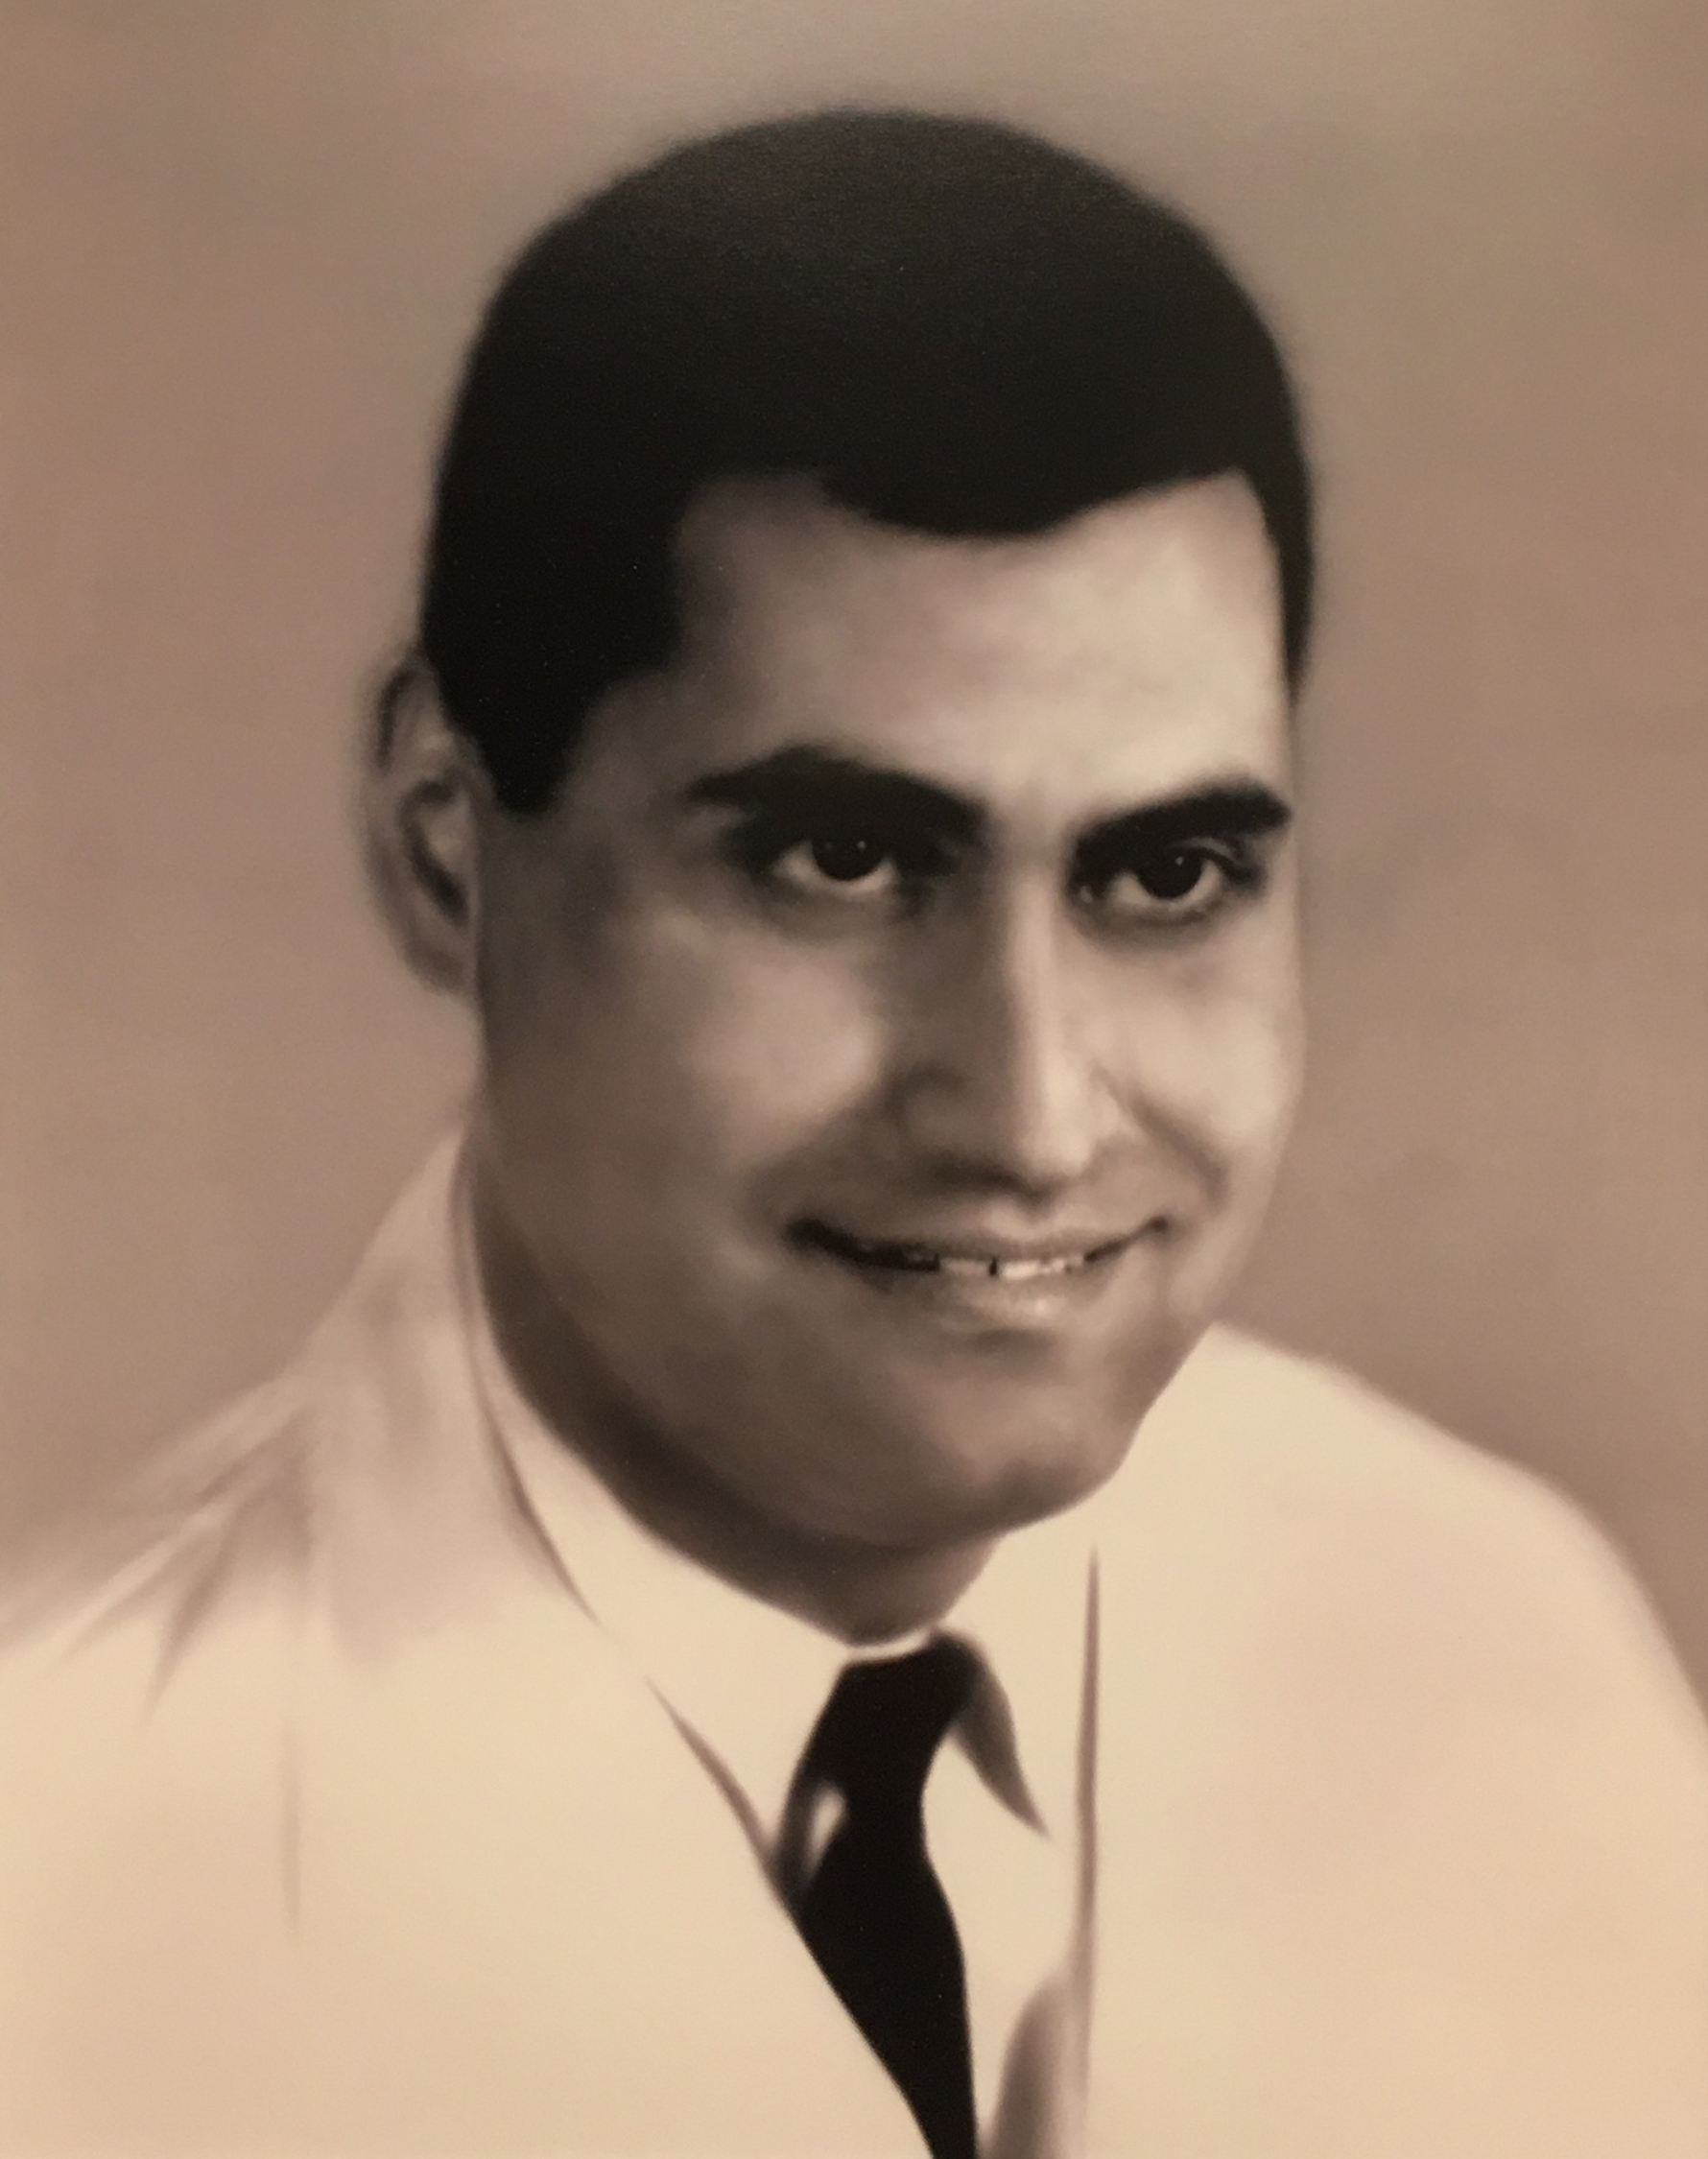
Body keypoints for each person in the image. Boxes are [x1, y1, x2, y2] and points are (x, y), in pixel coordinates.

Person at [1, 109, 1703, 2159]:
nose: (1033, 1112)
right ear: (448, 841)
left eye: (1164, 876)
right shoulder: (62, 1867)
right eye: (841, 859)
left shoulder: (1509, 1655)